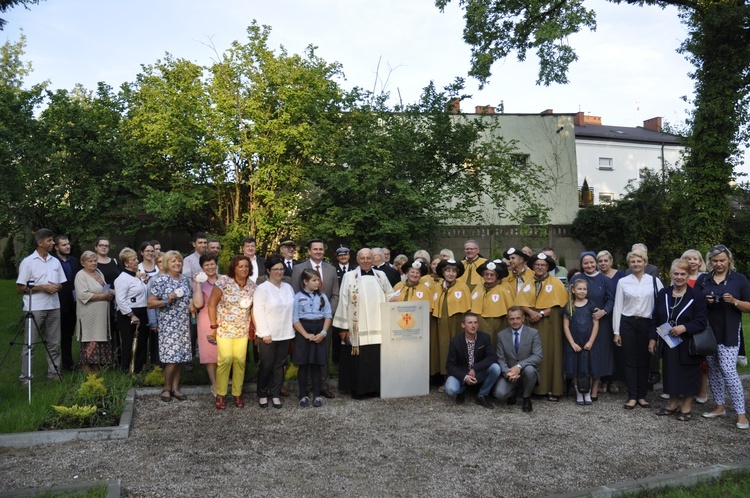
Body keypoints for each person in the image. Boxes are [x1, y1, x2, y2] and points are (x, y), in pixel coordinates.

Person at [697, 245, 750, 429]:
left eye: (722, 260)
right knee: (713, 370)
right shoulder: (704, 279)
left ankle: (741, 414)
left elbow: (749, 307)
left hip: (729, 331)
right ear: (710, 261)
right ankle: (719, 406)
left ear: (729, 260)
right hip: (708, 332)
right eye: (715, 261)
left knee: (728, 371)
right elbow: (693, 302)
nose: (719, 264)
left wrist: (734, 301)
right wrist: (704, 300)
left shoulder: (739, 279)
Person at [648, 259, 708, 421]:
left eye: (683, 274)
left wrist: (684, 327)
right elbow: (655, 317)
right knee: (670, 372)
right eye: (676, 273)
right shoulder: (664, 293)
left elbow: (701, 321)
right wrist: (652, 339)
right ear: (670, 275)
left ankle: (687, 406)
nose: (679, 277)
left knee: (688, 373)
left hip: (688, 342)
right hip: (668, 342)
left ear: (688, 275)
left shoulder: (696, 295)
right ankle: (673, 404)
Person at [333, 248, 394, 398]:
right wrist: (343, 328)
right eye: (363, 258)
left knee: (376, 357)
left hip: (379, 325)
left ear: (373, 259)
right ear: (357, 260)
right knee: (360, 360)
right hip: (357, 327)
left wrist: (394, 300)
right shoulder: (349, 276)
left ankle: (377, 388)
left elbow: (390, 295)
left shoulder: (381, 275)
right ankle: (359, 389)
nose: (366, 261)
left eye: (369, 258)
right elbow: (343, 301)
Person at [148, 250, 202, 403]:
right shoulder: (160, 280)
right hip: (169, 325)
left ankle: (175, 388)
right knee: (172, 359)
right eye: (173, 261)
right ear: (166, 264)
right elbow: (150, 303)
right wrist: (166, 300)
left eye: (179, 261)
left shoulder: (185, 279)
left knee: (180, 358)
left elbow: (189, 298)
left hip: (183, 323)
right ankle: (166, 388)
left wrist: (191, 306)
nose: (177, 263)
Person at [613, 249, 663, 410]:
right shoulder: (623, 282)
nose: (636, 264)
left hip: (647, 323)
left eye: (639, 261)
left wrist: (656, 332)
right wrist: (616, 331)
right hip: (628, 323)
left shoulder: (654, 281)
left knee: (644, 360)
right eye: (633, 261)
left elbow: (661, 307)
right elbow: (618, 307)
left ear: (645, 263)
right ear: (629, 264)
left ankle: (642, 395)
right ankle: (632, 396)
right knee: (630, 360)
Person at [515, 252, 568, 401]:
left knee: (550, 354)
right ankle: (533, 388)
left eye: (543, 265)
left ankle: (553, 388)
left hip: (550, 323)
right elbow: (521, 302)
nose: (540, 267)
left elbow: (560, 304)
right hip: (531, 322)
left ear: (548, 267)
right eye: (537, 265)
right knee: (530, 353)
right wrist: (531, 312)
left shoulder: (556, 283)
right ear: (532, 266)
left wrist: (542, 313)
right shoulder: (527, 282)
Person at [291, 238, 340, 399]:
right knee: (305, 356)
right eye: (315, 249)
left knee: (322, 354)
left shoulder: (331, 269)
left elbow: (335, 294)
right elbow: (295, 294)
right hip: (304, 322)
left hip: (324, 321)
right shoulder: (299, 269)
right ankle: (306, 387)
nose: (318, 251)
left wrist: (327, 314)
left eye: (321, 249)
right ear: (309, 251)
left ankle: (323, 385)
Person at [16, 228, 66, 383]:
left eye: (52, 240)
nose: (52, 243)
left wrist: (57, 287)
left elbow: (62, 284)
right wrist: (43, 287)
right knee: (30, 343)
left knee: (54, 342)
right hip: (35, 308)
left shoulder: (55, 261)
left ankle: (54, 374)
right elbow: (20, 288)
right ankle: (26, 377)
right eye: (49, 240)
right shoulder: (28, 262)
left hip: (54, 306)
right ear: (40, 243)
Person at [208, 255, 255, 409]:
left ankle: (237, 393)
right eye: (240, 266)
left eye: (246, 266)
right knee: (225, 360)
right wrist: (214, 327)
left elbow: (254, 308)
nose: (244, 269)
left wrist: (254, 328)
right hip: (224, 329)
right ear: (234, 268)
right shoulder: (223, 282)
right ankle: (220, 394)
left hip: (242, 330)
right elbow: (211, 305)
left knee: (240, 362)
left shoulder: (252, 286)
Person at [570, 251, 615, 400]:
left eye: (591, 262)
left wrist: (604, 312)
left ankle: (594, 389)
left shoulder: (605, 279)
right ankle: (582, 388)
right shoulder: (577, 279)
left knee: (598, 357)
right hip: (579, 323)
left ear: (595, 263)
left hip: (600, 323)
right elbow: (569, 299)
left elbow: (611, 299)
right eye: (585, 263)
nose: (589, 265)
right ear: (581, 265)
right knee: (582, 355)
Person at [253, 254, 295, 409]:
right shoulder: (262, 289)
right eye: (276, 269)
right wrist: (265, 333)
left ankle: (276, 394)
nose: (279, 272)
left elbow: (292, 310)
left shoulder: (288, 287)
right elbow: (258, 312)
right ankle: (263, 394)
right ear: (268, 271)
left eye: (281, 269)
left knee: (279, 365)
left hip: (286, 333)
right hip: (268, 335)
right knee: (266, 365)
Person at [293, 268, 333, 408]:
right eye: (314, 280)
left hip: (319, 330)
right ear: (305, 281)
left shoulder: (322, 297)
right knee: (303, 365)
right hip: (303, 331)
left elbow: (328, 315)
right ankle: (303, 395)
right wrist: (305, 335)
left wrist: (323, 333)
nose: (318, 283)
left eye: (318, 280)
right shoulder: (297, 297)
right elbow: (295, 318)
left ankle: (316, 395)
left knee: (316, 365)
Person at [444, 313, 501, 408]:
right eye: (470, 323)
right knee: (450, 390)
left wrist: (475, 368)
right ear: (463, 325)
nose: (473, 325)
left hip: (477, 372)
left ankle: (482, 395)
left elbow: (492, 357)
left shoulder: (484, 338)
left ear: (478, 325)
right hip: (461, 374)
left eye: (475, 323)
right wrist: (464, 377)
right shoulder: (455, 341)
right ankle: (461, 390)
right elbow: (450, 365)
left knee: (496, 368)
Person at [493, 306, 543, 412]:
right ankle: (513, 392)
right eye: (512, 319)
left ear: (523, 318)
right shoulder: (501, 335)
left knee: (530, 370)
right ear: (507, 319)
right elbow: (500, 358)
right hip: (510, 372)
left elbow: (537, 356)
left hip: (526, 370)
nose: (515, 321)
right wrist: (508, 372)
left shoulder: (533, 333)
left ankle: (526, 398)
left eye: (518, 318)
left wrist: (519, 366)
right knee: (499, 394)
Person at [431, 259, 472, 387]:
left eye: (453, 271)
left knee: (457, 348)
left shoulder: (462, 286)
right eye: (448, 271)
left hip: (457, 320)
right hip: (441, 321)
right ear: (443, 273)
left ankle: (461, 376)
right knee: (443, 348)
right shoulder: (437, 287)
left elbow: (467, 306)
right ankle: (445, 377)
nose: (450, 274)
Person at [74, 251, 114, 373]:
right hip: (89, 315)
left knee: (100, 339)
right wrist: (104, 297)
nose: (93, 263)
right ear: (83, 263)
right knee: (91, 339)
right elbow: (82, 295)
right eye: (90, 261)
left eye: (95, 260)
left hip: (101, 315)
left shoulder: (99, 272)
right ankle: (87, 368)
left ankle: (97, 368)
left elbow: (104, 288)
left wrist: (110, 294)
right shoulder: (80, 275)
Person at [563, 279, 599, 405]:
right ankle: (579, 393)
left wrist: (591, 341)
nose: (582, 291)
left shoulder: (591, 305)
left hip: (587, 343)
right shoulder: (569, 306)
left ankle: (587, 392)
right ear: (573, 290)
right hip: (574, 343)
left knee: (586, 368)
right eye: (579, 289)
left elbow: (595, 324)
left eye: (584, 289)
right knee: (575, 368)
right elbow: (566, 326)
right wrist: (572, 343)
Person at [114, 247, 150, 373]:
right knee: (129, 342)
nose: (136, 261)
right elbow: (120, 299)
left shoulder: (137, 275)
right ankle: (126, 370)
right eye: (133, 259)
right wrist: (131, 315)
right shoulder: (122, 279)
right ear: (126, 263)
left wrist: (144, 281)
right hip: (128, 313)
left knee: (141, 342)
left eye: (136, 258)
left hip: (142, 310)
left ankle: (138, 369)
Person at [682, 248, 709, 404]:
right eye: (688, 259)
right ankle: (682, 389)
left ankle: (702, 391)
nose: (692, 261)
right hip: (683, 322)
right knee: (683, 356)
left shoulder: (705, 278)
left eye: (695, 259)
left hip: (699, 320)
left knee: (701, 357)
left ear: (700, 262)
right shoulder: (679, 276)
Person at [53, 235, 80, 372]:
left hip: (73, 302)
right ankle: (54, 365)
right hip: (57, 302)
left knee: (68, 335)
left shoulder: (74, 261)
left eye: (68, 244)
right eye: (64, 245)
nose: (67, 246)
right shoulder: (52, 262)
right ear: (56, 247)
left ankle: (68, 364)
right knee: (56, 336)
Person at [471, 259, 512, 348]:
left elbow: (510, 309)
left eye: (492, 275)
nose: (489, 277)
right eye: (486, 274)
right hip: (479, 321)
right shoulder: (477, 288)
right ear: (483, 276)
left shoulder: (502, 290)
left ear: (496, 277)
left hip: (496, 323)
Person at [196, 251, 221, 397]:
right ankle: (215, 383)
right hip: (206, 320)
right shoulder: (199, 282)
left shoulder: (224, 279)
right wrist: (198, 285)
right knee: (210, 354)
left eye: (212, 264)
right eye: (206, 265)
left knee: (223, 352)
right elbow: (198, 303)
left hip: (223, 319)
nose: (210, 267)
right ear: (202, 267)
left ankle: (223, 378)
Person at [94, 237, 121, 364]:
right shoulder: (94, 263)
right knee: (104, 330)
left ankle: (118, 358)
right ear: (96, 247)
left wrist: (119, 292)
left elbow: (122, 278)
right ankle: (105, 359)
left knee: (117, 330)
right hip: (101, 300)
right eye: (101, 245)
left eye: (106, 245)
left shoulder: (115, 262)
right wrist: (110, 291)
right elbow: (96, 282)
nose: (104, 247)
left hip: (118, 301)